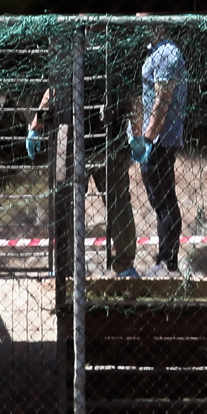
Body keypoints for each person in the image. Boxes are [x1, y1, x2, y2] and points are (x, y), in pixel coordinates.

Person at [27, 87, 139, 278]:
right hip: (110, 139)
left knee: (68, 204)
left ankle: (65, 264)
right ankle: (124, 266)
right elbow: (133, 98)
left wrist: (35, 127)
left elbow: (52, 91)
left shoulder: (68, 57)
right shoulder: (113, 57)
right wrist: (136, 134)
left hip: (78, 142)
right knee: (118, 202)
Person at [128, 25, 187, 278]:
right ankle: (165, 261)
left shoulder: (166, 54)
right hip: (155, 139)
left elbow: (162, 100)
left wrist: (148, 139)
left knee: (165, 201)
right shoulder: (154, 52)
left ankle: (168, 263)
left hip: (161, 141)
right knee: (160, 201)